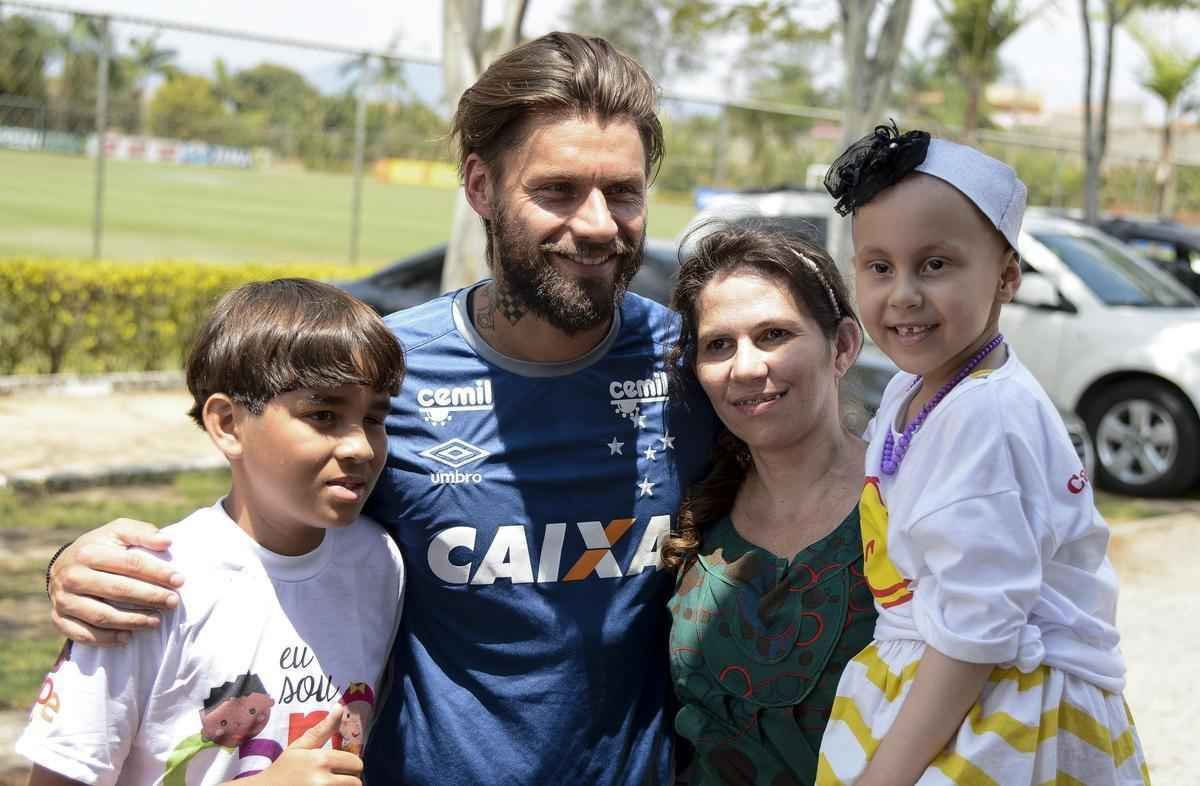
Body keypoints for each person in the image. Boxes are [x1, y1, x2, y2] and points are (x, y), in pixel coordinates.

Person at [41, 33, 716, 786]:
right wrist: (75, 564)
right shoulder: (386, 373)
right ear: (481, 187)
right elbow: (263, 515)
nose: (596, 223)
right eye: (556, 191)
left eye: (622, 192)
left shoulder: (699, 366)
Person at [814, 125, 1150, 786]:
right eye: (879, 266)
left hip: (1001, 707)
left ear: (1007, 277)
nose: (903, 292)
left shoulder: (986, 416)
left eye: (934, 264)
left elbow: (978, 631)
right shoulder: (923, 387)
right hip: (952, 680)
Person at [19, 279, 406, 786]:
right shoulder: (142, 590)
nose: (360, 446)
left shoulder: (380, 563)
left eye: (374, 417)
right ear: (227, 424)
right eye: (324, 415)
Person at [662, 224, 877, 786]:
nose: (746, 367)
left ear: (844, 346)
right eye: (718, 345)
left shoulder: (908, 503)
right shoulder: (690, 510)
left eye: (774, 334)